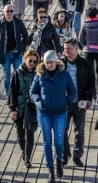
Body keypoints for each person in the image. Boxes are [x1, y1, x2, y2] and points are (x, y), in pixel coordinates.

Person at [30, 50, 76, 183]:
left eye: (51, 62)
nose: (49, 65)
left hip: (60, 112)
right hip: (44, 113)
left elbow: (72, 91)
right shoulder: (40, 75)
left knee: (59, 141)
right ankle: (50, 169)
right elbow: (33, 91)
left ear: (56, 62)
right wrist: (38, 101)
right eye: (47, 62)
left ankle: (59, 160)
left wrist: (66, 101)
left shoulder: (64, 74)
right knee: (47, 141)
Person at [61, 39, 96, 167]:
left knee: (79, 131)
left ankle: (77, 156)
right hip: (64, 103)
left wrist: (88, 99)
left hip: (79, 102)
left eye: (69, 49)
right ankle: (65, 154)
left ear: (76, 49)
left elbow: (92, 82)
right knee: (62, 130)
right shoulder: (60, 64)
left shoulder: (85, 64)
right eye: (65, 49)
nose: (66, 51)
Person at [8, 50, 40, 168]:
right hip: (19, 107)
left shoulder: (39, 74)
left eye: (35, 61)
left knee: (30, 133)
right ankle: (23, 151)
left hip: (32, 108)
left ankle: (27, 158)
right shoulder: (17, 73)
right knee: (20, 135)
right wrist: (13, 109)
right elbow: (12, 92)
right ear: (25, 59)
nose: (32, 63)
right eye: (30, 60)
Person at [0, 5, 29, 95]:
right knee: (6, 76)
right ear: (3, 12)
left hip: (16, 53)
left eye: (11, 11)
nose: (9, 13)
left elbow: (26, 36)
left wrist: (22, 47)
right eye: (7, 11)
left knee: (18, 75)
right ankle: (8, 95)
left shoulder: (18, 22)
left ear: (14, 12)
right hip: (5, 53)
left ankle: (17, 94)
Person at [79, 7, 98, 87]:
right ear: (97, 14)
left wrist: (86, 45)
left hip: (88, 51)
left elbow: (80, 39)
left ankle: (92, 92)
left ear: (87, 15)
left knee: (90, 72)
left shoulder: (85, 24)